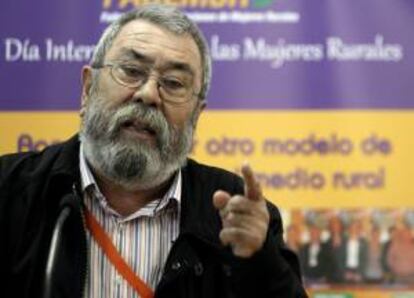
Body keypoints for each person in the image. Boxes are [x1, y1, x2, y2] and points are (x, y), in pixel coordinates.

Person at [0, 4, 306, 298]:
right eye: (131, 70)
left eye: (173, 83)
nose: (148, 94)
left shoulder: (233, 214)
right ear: (87, 88)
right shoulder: (9, 189)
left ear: (197, 115)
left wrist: (259, 264)